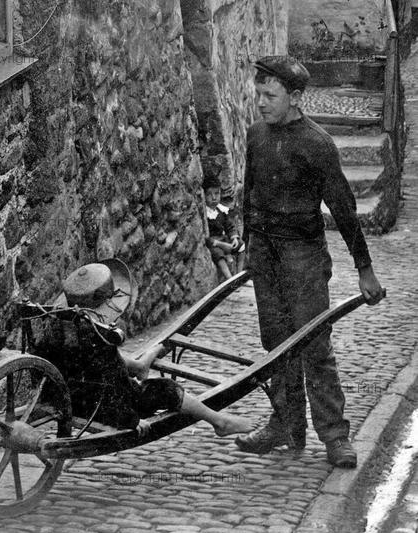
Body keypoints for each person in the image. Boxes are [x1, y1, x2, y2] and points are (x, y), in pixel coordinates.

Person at [236, 55, 384, 468]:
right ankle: (285, 425)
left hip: (303, 255)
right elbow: (249, 193)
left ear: (296, 97)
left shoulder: (317, 144)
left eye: (271, 95)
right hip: (265, 252)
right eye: (259, 94)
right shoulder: (255, 135)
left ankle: (335, 436)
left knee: (313, 344)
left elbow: (343, 208)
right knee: (275, 344)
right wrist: (247, 244)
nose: (262, 102)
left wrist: (364, 267)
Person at [34, 260, 254, 438]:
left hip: (64, 397)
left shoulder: (57, 328)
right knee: (167, 388)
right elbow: (113, 384)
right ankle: (219, 421)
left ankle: (141, 365)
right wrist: (130, 420)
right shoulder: (100, 337)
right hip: (101, 408)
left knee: (108, 363)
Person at [203, 173, 244, 280]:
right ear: (204, 196)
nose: (213, 198)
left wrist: (234, 238)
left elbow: (230, 226)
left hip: (224, 240)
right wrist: (221, 244)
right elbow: (207, 238)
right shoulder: (205, 215)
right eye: (209, 194)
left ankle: (239, 276)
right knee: (218, 254)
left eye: (217, 193)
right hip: (215, 243)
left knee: (241, 245)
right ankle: (230, 278)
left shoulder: (221, 210)